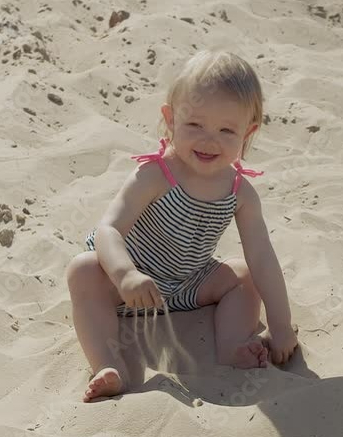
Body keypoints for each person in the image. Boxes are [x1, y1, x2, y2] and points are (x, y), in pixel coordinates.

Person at [66, 50, 299, 402]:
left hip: (188, 283)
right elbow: (107, 230)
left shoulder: (240, 193)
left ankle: (233, 347)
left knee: (245, 275)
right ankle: (108, 367)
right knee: (82, 269)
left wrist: (281, 325)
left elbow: (263, 258)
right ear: (171, 119)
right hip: (128, 288)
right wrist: (125, 275)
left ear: (247, 133)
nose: (208, 140)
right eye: (194, 125)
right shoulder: (156, 174)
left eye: (226, 130)